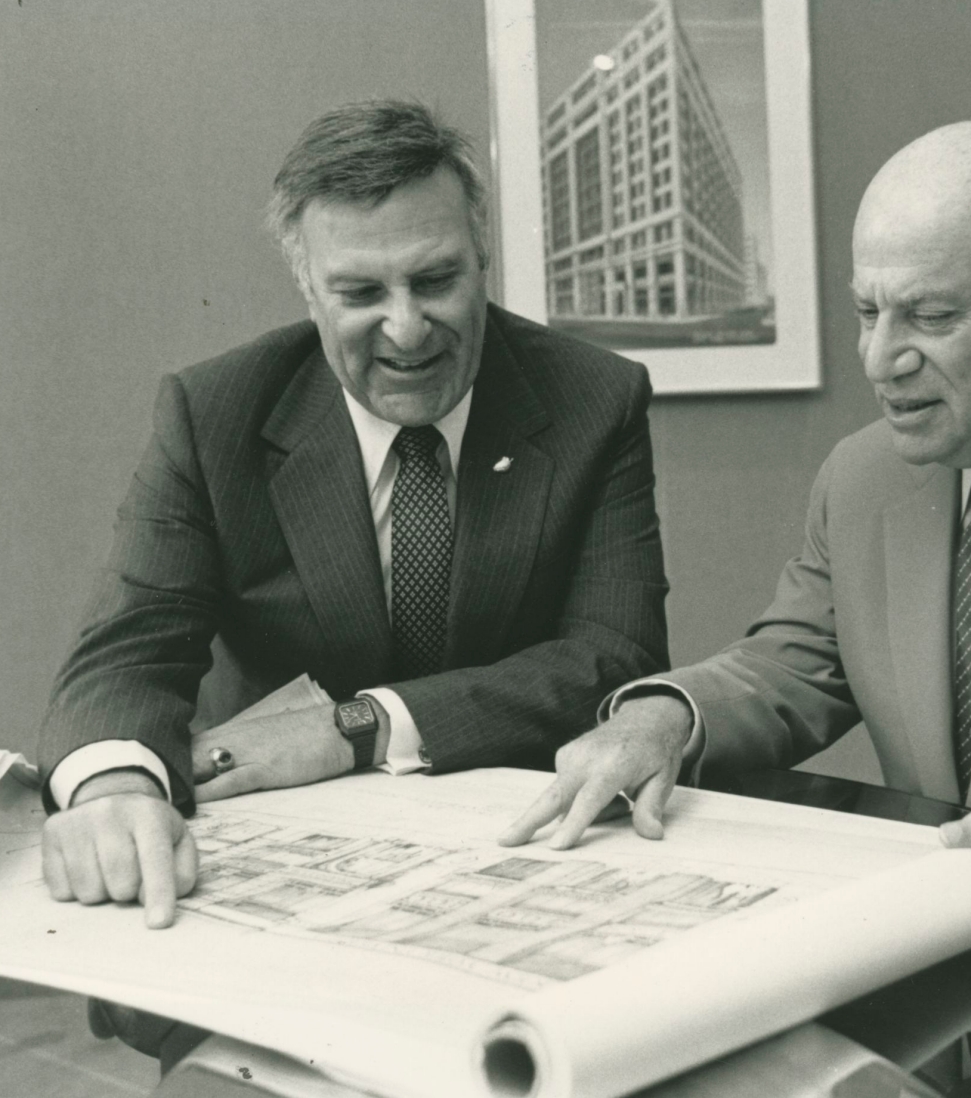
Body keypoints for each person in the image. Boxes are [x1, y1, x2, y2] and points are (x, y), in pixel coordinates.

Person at [504, 121, 971, 938]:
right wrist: (661, 717)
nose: (878, 358)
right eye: (868, 311)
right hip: (935, 958)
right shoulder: (862, 476)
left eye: (929, 316)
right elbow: (795, 664)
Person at [39, 99, 669, 928]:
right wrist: (114, 790)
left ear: (483, 260)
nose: (406, 329)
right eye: (361, 292)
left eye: (436, 280)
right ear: (308, 291)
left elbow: (615, 656)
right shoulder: (215, 413)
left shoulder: (594, 398)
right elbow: (129, 645)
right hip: (271, 853)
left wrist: (359, 727)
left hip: (517, 845)